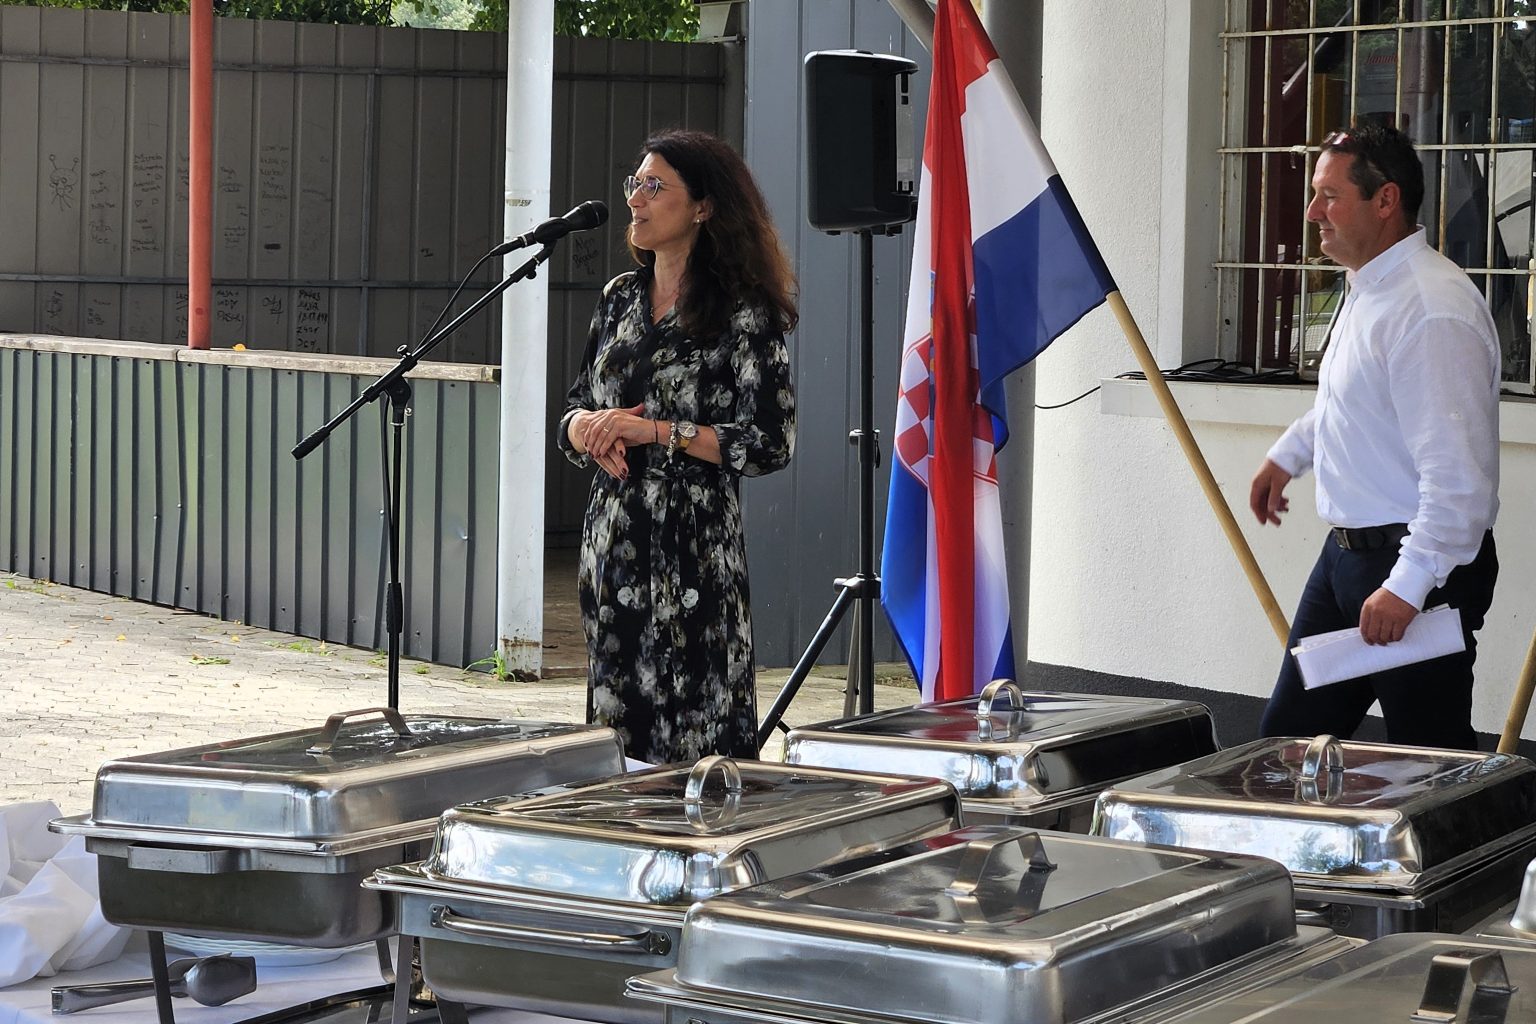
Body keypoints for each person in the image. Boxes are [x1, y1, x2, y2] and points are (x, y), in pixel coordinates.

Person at [1250, 120, 1500, 750]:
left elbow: (1459, 481)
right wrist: (1289, 455)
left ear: (1385, 200)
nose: (1313, 212)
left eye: (1330, 196)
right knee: (1285, 750)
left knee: (1429, 764)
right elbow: (1357, 404)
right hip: (1347, 560)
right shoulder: (1371, 287)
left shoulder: (1432, 309)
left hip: (1415, 569)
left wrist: (1408, 585)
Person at [556, 129, 797, 765]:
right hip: (613, 546)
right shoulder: (618, 299)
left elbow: (771, 441)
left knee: (697, 737)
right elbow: (575, 405)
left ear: (703, 207)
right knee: (618, 740)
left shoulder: (744, 311)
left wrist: (658, 431)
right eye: (634, 183)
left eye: (655, 185)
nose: (635, 198)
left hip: (694, 551)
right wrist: (586, 429)